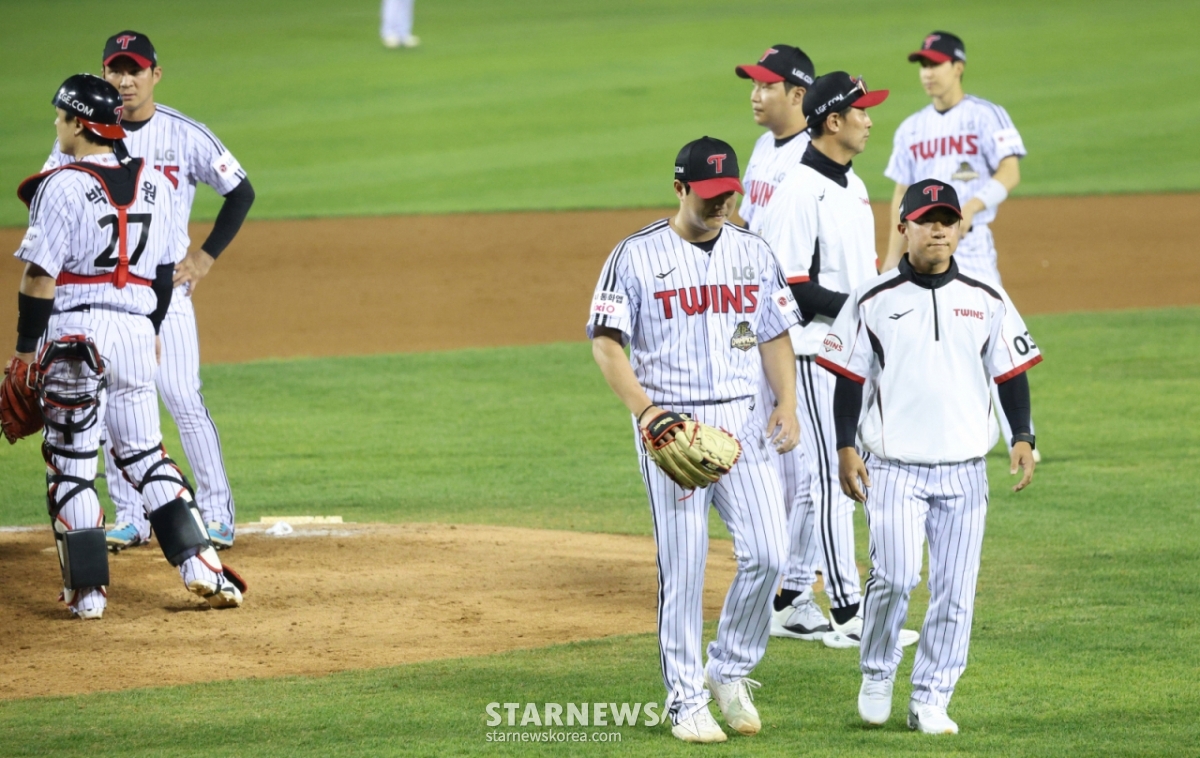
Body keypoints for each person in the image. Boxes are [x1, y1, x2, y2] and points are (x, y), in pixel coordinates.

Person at [589, 137, 801, 743]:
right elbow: (607, 343)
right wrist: (647, 412)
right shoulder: (633, 256)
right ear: (680, 188)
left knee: (769, 552)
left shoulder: (752, 252)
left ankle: (728, 669)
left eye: (727, 194)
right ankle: (684, 700)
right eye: (709, 196)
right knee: (682, 569)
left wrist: (785, 401)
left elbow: (775, 333)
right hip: (672, 428)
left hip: (743, 421)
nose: (720, 205)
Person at [10, 74, 244, 619]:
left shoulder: (61, 184)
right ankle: (203, 568)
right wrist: (153, 331)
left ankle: (89, 596)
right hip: (138, 330)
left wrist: (24, 353)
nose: (56, 125)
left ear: (80, 123)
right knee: (146, 453)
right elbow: (163, 275)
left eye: (62, 117)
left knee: (71, 465)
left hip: (74, 335)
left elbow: (39, 279)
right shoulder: (157, 186)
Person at [820, 179, 1040, 734]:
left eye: (947, 219)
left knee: (955, 592)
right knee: (893, 576)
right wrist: (846, 446)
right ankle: (877, 670)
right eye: (926, 219)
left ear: (958, 227)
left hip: (965, 473)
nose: (939, 228)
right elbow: (848, 381)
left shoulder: (986, 296)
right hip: (894, 468)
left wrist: (1023, 436)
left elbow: (1010, 372)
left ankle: (931, 697)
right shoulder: (872, 300)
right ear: (904, 228)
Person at [43, 31, 256, 551]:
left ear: (154, 75)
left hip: (163, 291)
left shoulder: (184, 134)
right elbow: (49, 193)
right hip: (103, 298)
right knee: (115, 405)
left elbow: (241, 190)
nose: (124, 80)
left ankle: (216, 512)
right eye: (115, 70)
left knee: (181, 396)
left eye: (134, 70)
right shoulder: (83, 138)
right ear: (103, 74)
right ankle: (132, 515)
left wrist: (203, 257)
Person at [756, 72, 918, 651]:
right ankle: (851, 612)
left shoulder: (851, 184)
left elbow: (855, 273)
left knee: (818, 487)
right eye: (861, 112)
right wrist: (859, 307)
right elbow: (791, 287)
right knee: (832, 480)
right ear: (833, 120)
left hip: (841, 351)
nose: (870, 120)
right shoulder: (799, 190)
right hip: (806, 355)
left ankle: (789, 600)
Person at [881, 31, 1037, 460]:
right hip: (918, 249)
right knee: (918, 337)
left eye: (935, 64)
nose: (928, 73)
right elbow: (900, 191)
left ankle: (1020, 435)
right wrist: (891, 260)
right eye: (923, 65)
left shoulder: (987, 115)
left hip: (971, 248)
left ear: (958, 66)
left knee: (996, 335)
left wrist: (970, 207)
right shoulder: (912, 127)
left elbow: (1009, 172)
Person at [732, 44, 830, 641]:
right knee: (789, 462)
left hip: (799, 328)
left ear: (798, 94)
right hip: (759, 326)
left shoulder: (811, 159)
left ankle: (793, 588)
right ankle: (790, 592)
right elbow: (743, 225)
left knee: (806, 466)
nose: (754, 92)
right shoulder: (766, 148)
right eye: (753, 82)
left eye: (767, 84)